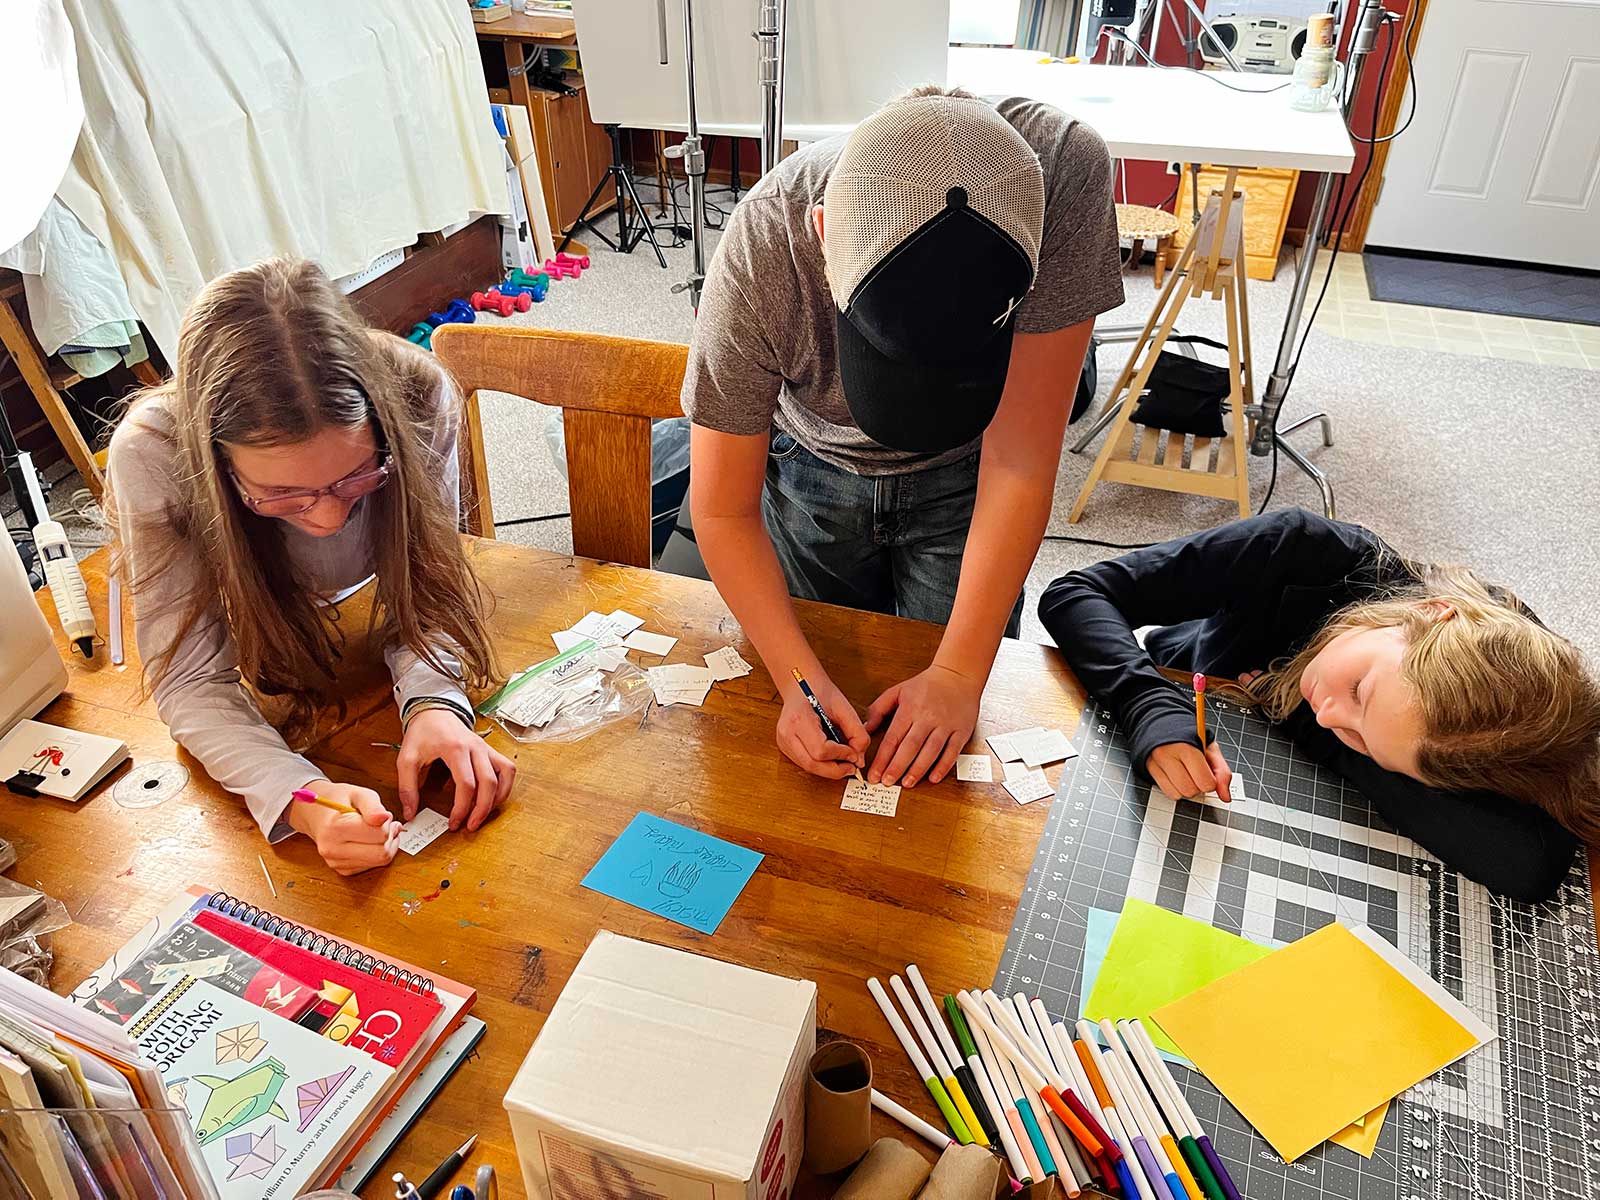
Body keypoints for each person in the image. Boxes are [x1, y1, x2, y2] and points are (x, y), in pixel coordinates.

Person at [685, 86, 1123, 791]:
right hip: (814, 466)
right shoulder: (765, 244)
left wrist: (958, 675)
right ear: (822, 233)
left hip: (973, 474)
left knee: (950, 747)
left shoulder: (1063, 174)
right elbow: (722, 508)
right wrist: (798, 683)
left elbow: (1019, 462)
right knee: (827, 685)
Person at [107, 258, 515, 875]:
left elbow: (430, 590)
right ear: (217, 466)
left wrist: (436, 702)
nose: (326, 517)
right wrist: (300, 796)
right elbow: (188, 678)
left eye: (357, 476)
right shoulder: (152, 452)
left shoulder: (419, 391)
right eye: (281, 495)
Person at [1038, 507, 1600, 901]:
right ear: (1429, 612)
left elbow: (1526, 863)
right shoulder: (1305, 548)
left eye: (1363, 740)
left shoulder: (1503, 727)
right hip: (1193, 674)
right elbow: (1076, 594)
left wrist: (1312, 730)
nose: (1331, 714)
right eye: (1359, 690)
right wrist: (1148, 705)